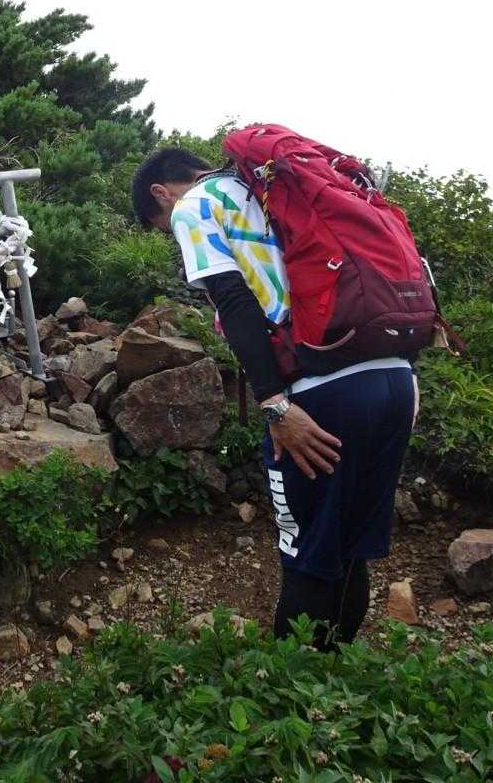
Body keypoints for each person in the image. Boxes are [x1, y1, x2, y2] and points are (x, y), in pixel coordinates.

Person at [131, 147, 419, 648]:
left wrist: (273, 403)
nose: (169, 232)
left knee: (306, 554)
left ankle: (293, 688)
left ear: (161, 193)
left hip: (321, 392)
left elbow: (233, 298)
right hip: (393, 378)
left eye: (160, 226)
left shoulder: (195, 203)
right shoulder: (273, 190)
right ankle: (339, 678)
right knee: (347, 551)